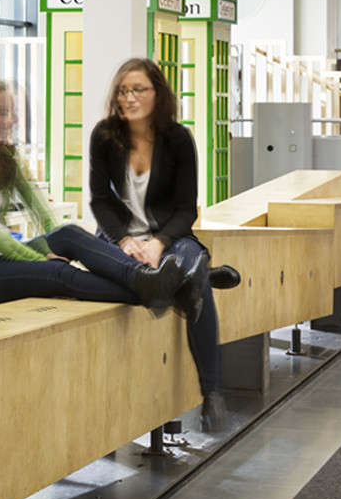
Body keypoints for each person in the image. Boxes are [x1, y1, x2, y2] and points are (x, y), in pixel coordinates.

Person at [0, 78, 194, 317]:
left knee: (70, 233)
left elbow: (40, 212)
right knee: (54, 272)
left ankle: (145, 277)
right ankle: (157, 291)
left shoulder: (5, 159)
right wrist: (40, 258)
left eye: (3, 113)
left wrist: (49, 245)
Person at [89, 58, 241, 432]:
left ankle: (213, 395)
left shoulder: (178, 139)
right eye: (123, 90)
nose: (129, 98)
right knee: (195, 281)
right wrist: (124, 240)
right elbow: (100, 201)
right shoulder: (104, 136)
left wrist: (157, 244)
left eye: (138, 89)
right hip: (118, 242)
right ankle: (197, 275)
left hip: (169, 242)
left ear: (158, 93)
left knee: (185, 264)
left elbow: (186, 207)